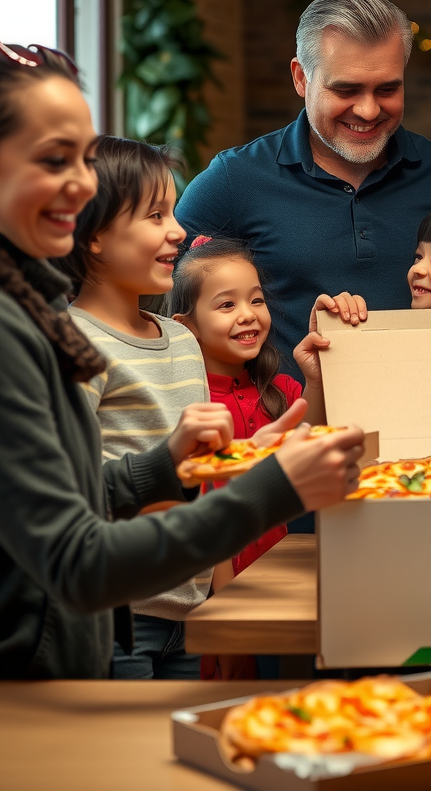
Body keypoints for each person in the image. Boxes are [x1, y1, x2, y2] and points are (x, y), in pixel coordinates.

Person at [0, 41, 363, 679]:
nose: (83, 184)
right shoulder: (23, 331)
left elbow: (77, 497)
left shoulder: (35, 311)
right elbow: (76, 561)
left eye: (85, 160)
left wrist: (166, 466)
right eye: (56, 159)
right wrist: (272, 489)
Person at [174, 0, 431, 384]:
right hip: (291, 432)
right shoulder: (234, 180)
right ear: (301, 78)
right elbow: (166, 306)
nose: (368, 110)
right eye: (346, 89)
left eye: (388, 89)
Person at [52, 135, 220, 679]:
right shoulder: (72, 345)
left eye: (173, 212)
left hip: (188, 607)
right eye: (155, 215)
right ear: (96, 234)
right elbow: (68, 493)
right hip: (116, 614)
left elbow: (202, 478)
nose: (179, 231)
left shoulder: (182, 339)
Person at [170, 234, 336, 680]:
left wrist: (314, 382)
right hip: (214, 593)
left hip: (276, 582)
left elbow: (307, 446)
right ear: (186, 326)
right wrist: (226, 614)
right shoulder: (190, 406)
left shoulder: (279, 391)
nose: (248, 315)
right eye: (226, 305)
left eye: (256, 300)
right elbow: (208, 516)